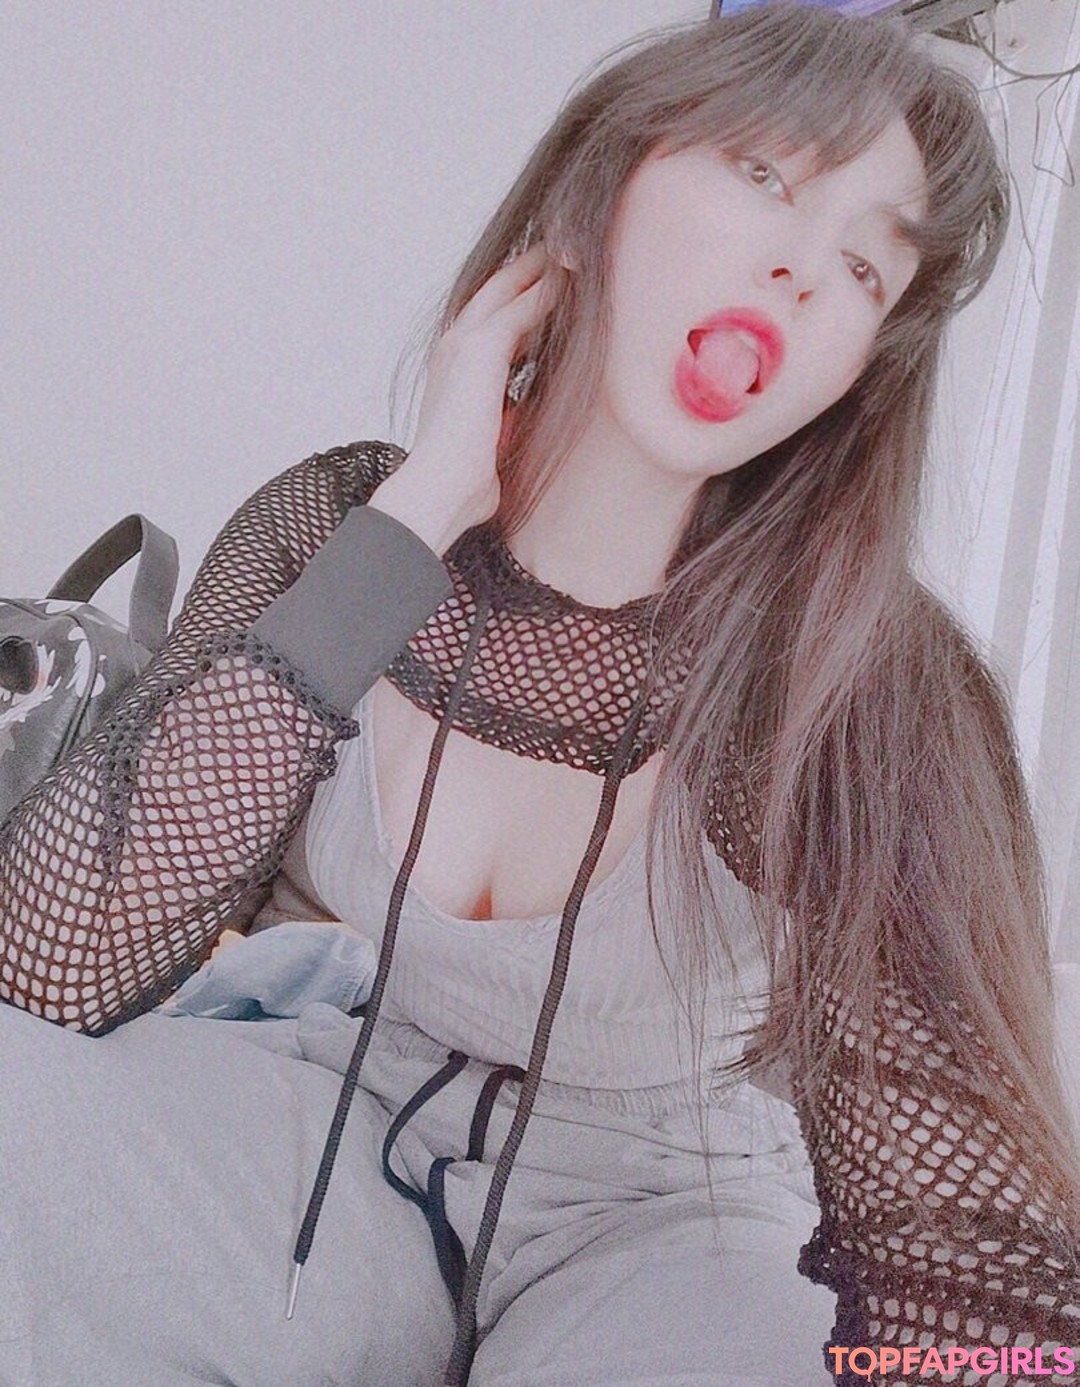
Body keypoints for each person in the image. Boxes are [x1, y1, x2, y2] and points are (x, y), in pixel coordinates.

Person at [1, 5, 1078, 1385]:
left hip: (669, 1224)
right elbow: (50, 968)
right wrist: (414, 521)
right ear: (595, 192)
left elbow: (970, 1269)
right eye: (766, 174)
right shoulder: (342, 522)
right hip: (335, 1124)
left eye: (868, 265)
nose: (806, 272)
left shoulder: (863, 682)